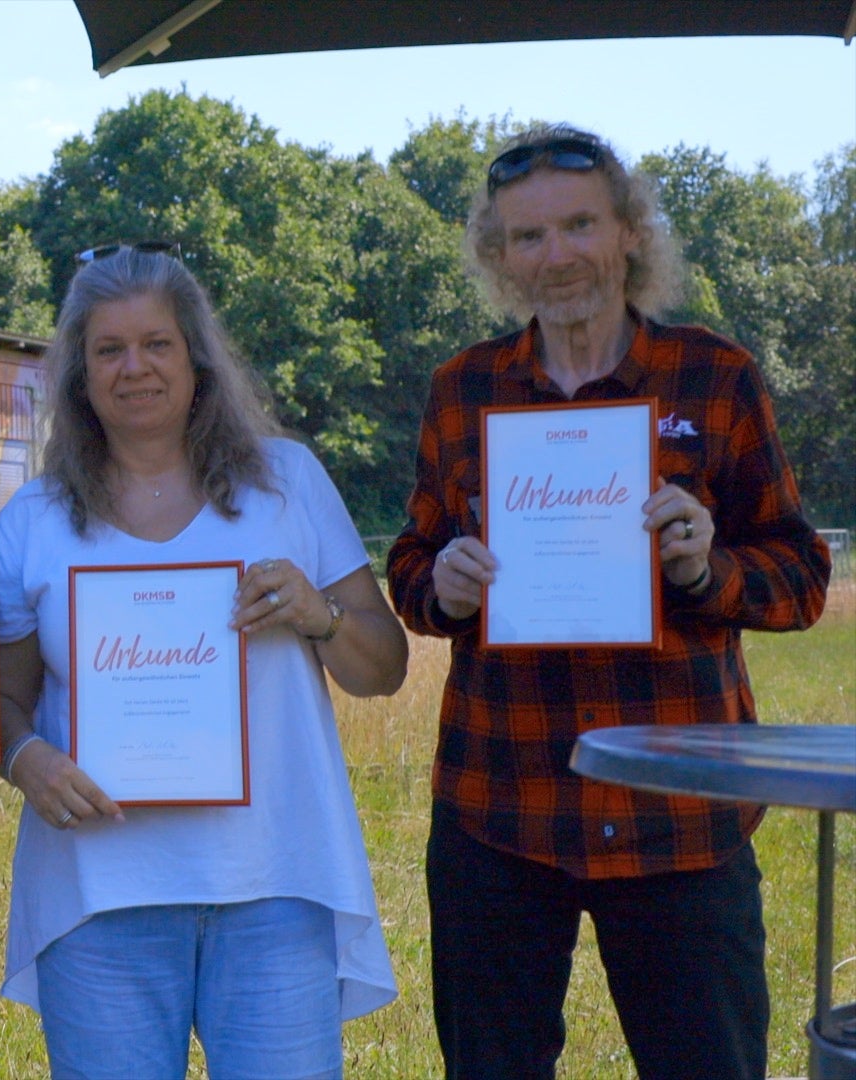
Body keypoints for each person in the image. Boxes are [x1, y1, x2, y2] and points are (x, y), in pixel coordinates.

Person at [386, 124, 832, 1080]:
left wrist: (708, 572)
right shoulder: (462, 390)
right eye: (529, 237)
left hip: (681, 818)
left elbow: (802, 578)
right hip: (499, 813)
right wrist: (444, 590)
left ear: (629, 232)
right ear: (498, 258)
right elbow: (412, 568)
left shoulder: (716, 376)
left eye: (580, 224)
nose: (559, 256)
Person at [0, 246, 406, 1079]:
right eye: (108, 349)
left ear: (198, 358)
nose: (134, 367)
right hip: (98, 893)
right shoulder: (34, 519)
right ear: (79, 373)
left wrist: (318, 615)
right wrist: (24, 757)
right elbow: (2, 697)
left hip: (273, 885)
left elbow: (384, 666)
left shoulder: (286, 483)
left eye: (158, 344)